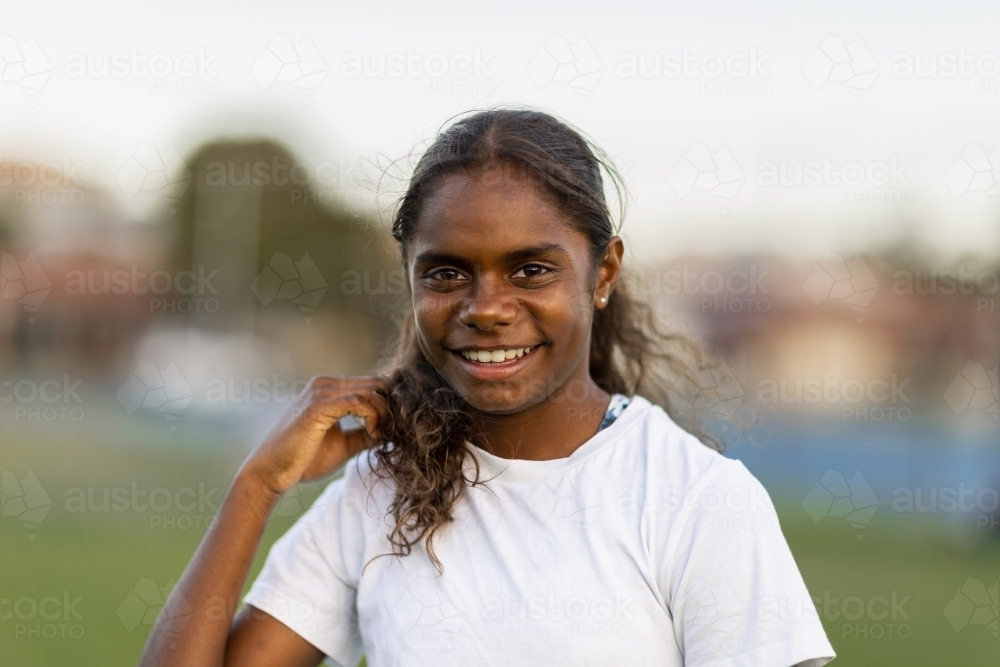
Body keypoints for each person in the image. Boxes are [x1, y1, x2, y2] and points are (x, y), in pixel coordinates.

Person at [138, 108, 836, 667]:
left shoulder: (697, 500)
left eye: (531, 270)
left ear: (603, 272)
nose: (486, 307)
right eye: (446, 273)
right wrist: (257, 485)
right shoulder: (380, 491)